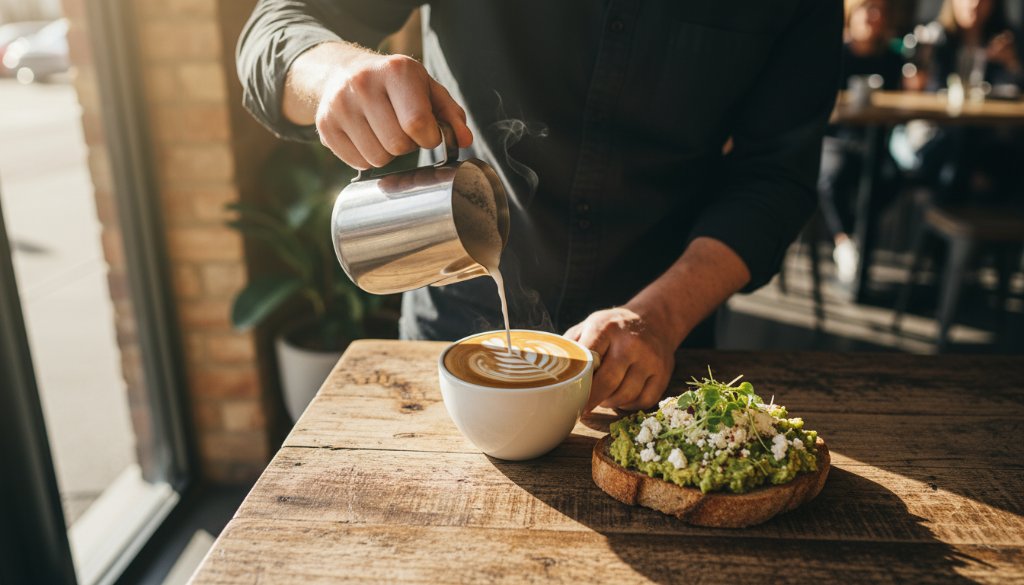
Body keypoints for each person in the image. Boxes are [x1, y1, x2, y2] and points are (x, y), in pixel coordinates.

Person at [237, 2, 842, 412]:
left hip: (654, 351)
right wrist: (334, 71)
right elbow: (276, 27)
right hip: (452, 330)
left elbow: (776, 174)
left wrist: (661, 315)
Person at [819, 0, 905, 285]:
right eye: (867, 9)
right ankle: (845, 242)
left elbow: (900, 107)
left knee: (892, 177)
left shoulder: (893, 59)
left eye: (880, 10)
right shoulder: (834, 53)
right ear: (851, 14)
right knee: (834, 173)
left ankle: (857, 235)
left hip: (874, 140)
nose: (873, 16)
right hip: (837, 137)